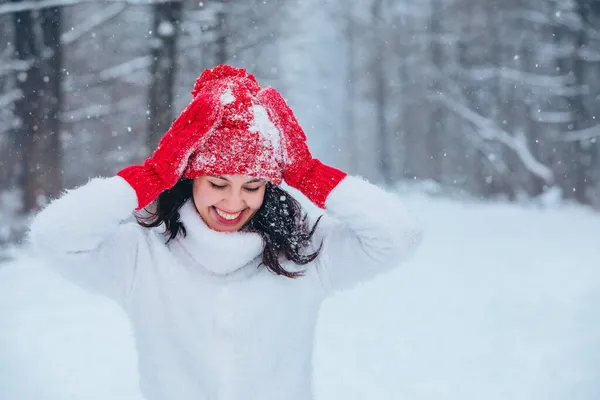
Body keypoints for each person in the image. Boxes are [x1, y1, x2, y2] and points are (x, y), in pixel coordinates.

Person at [28, 65, 423, 400]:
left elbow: (397, 236)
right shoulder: (141, 256)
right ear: (190, 179)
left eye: (253, 186)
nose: (234, 203)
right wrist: (150, 176)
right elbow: (53, 237)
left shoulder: (303, 252)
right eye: (217, 184)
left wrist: (310, 174)